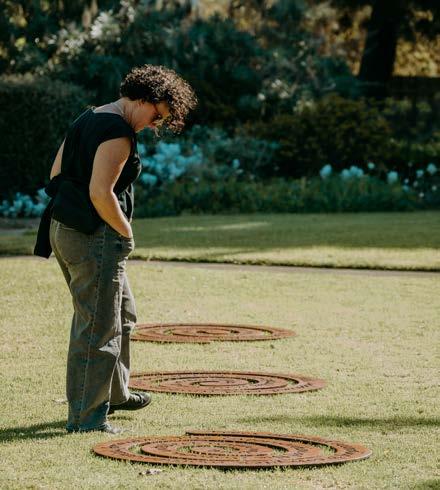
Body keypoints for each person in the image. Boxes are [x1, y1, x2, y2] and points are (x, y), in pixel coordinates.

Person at [34, 65, 197, 433]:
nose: (154, 125)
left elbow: (56, 173)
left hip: (64, 229)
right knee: (98, 328)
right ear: (144, 98)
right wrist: (126, 232)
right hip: (94, 236)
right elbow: (100, 193)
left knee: (122, 312)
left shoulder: (89, 116)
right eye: (155, 116)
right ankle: (87, 417)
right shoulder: (118, 132)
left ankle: (116, 392)